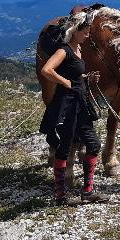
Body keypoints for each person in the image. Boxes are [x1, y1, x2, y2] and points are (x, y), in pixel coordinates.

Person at [39, 15, 110, 206]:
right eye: (85, 32)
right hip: (67, 105)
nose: (87, 35)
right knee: (64, 148)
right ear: (75, 31)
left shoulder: (78, 50)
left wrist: (86, 79)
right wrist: (66, 82)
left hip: (80, 105)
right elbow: (47, 70)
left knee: (93, 144)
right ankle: (60, 196)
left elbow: (73, 73)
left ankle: (87, 191)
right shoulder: (64, 50)